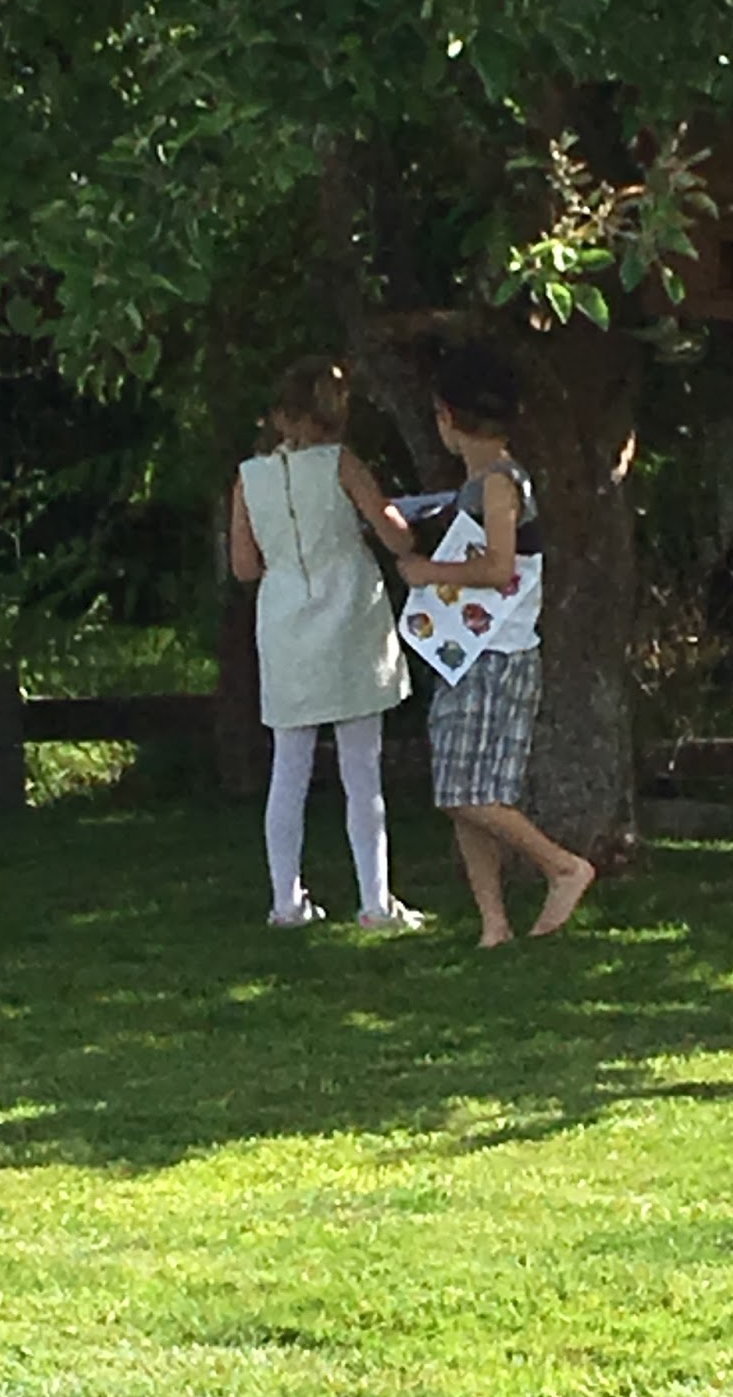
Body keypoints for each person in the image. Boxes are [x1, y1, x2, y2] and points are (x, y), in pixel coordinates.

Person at [397, 343, 595, 949]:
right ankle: (494, 924)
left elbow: (499, 569)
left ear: (447, 417)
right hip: (466, 652)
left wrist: (427, 573)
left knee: (467, 793)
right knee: (461, 794)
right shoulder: (479, 485)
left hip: (498, 656)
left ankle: (563, 867)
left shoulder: (499, 485)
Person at [230, 356, 422, 930]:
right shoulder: (342, 464)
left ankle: (286, 901)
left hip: (284, 618)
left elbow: (244, 567)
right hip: (349, 612)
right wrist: (400, 525)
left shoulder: (248, 478)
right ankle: (375, 901)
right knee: (361, 768)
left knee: (288, 767)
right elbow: (395, 536)